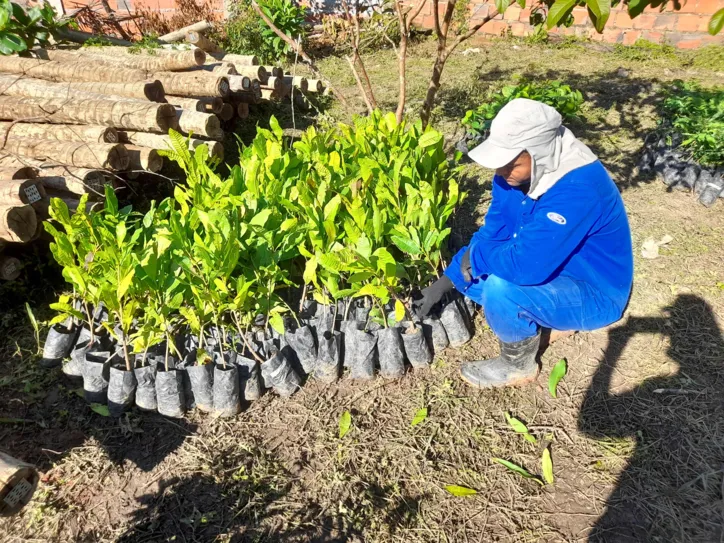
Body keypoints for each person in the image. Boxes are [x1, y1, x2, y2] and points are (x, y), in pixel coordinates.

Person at [413, 98, 633, 388]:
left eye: (510, 163)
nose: (501, 172)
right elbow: (494, 232)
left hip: (594, 291)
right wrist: (444, 283)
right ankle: (550, 317)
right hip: (550, 267)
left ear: (538, 152)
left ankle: (517, 365)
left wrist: (477, 258)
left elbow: (525, 268)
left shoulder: (578, 188)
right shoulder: (513, 176)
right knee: (471, 278)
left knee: (501, 288)